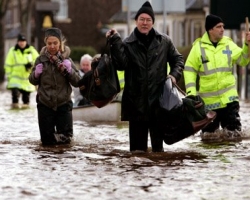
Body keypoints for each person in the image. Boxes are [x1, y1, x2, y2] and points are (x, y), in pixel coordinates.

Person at [105, 1, 184, 152]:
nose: (145, 23)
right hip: (136, 106)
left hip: (158, 105)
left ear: (153, 22)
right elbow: (121, 65)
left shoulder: (164, 41)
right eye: (142, 19)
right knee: (137, 153)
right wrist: (115, 42)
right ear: (136, 21)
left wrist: (174, 76)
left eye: (148, 20)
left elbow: (178, 60)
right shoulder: (127, 43)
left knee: (157, 153)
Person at [184, 14, 250, 139]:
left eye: (223, 26)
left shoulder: (228, 44)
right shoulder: (198, 48)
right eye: (218, 26)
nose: (222, 29)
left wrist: (247, 45)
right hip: (209, 104)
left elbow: (243, 60)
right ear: (210, 29)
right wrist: (191, 93)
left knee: (234, 136)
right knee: (208, 138)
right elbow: (189, 70)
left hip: (229, 101)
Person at [29, 27, 81, 145]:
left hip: (64, 105)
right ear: (46, 43)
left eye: (55, 43)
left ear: (60, 43)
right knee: (47, 143)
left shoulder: (67, 60)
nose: (52, 46)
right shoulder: (40, 60)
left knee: (66, 142)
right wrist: (36, 74)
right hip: (45, 105)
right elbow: (32, 81)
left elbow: (78, 82)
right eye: (49, 43)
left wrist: (70, 71)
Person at [4, 34, 39, 109]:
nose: (22, 43)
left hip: (27, 80)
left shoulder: (32, 50)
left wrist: (31, 65)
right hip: (15, 79)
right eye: (20, 41)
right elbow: (8, 65)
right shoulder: (12, 51)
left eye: (23, 41)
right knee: (15, 96)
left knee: (26, 100)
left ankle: (24, 109)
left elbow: (38, 61)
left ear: (26, 42)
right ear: (17, 42)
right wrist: (9, 77)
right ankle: (15, 108)